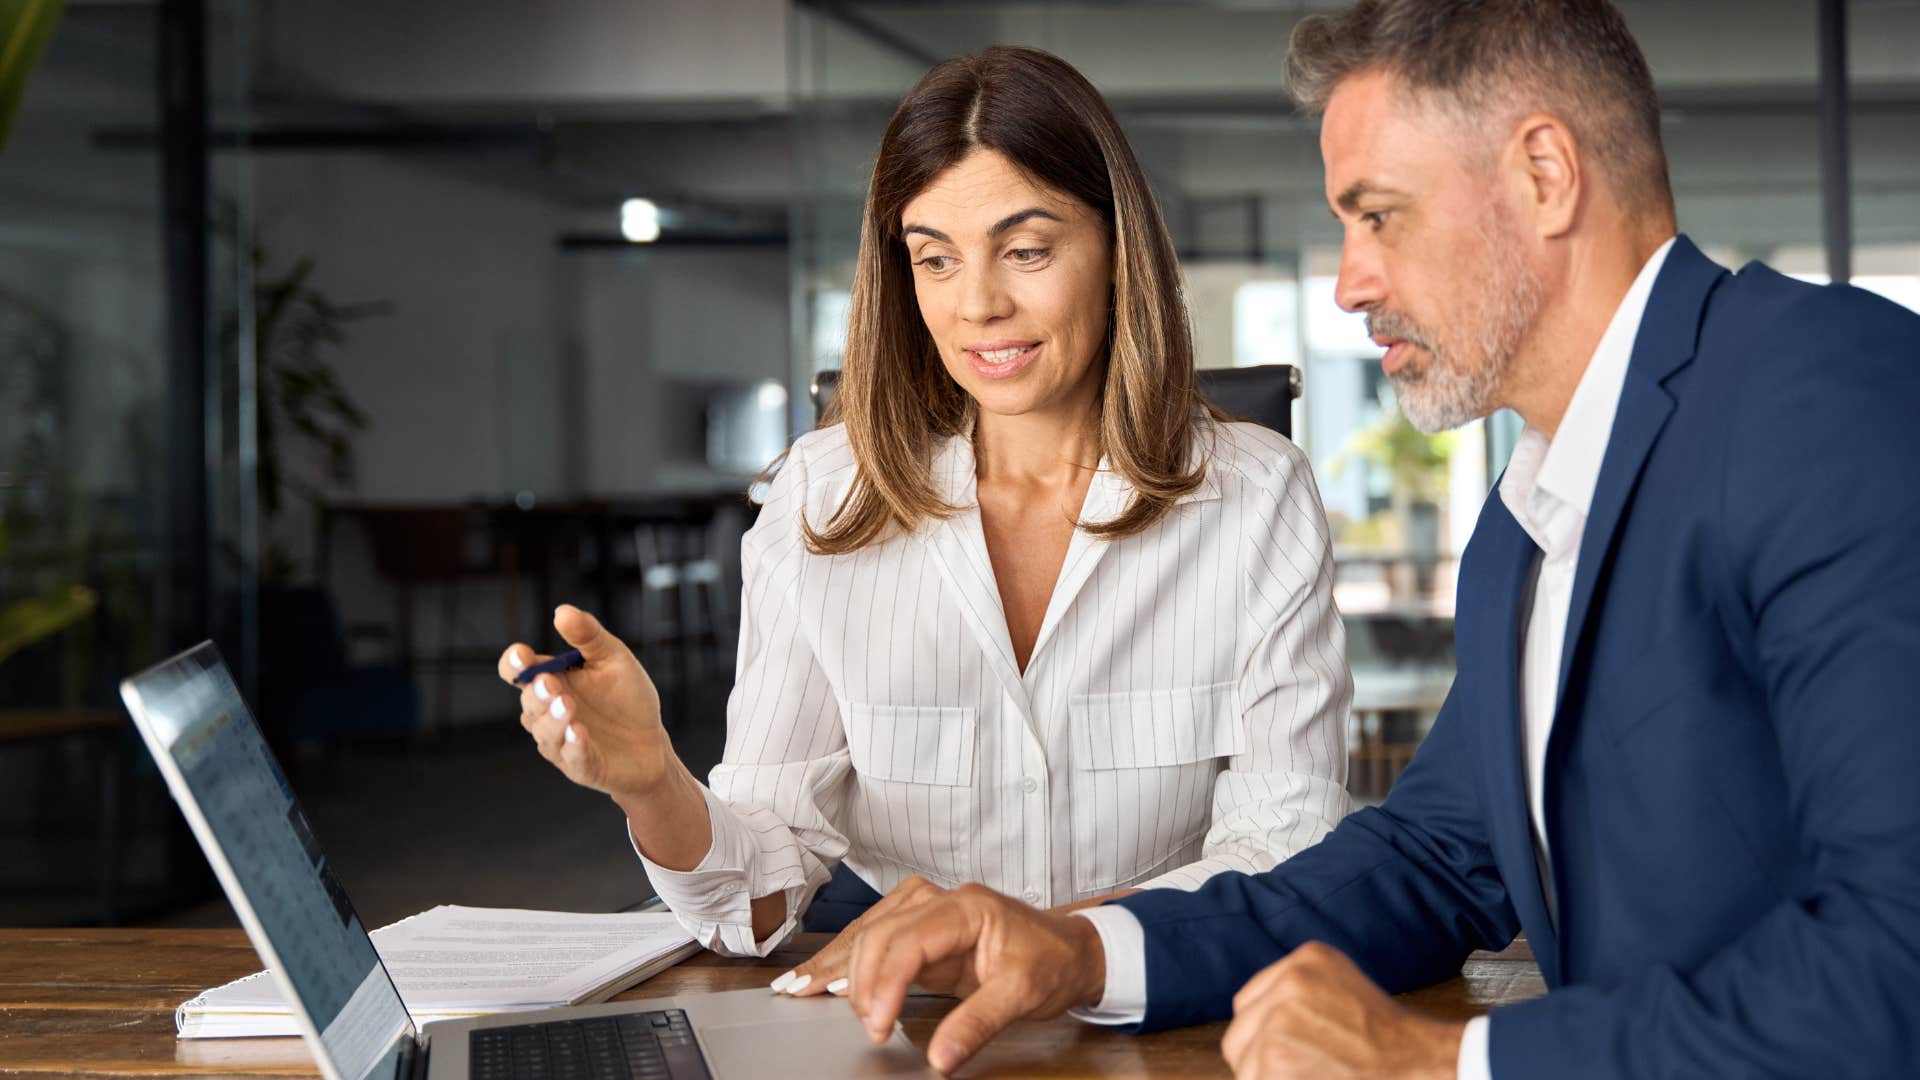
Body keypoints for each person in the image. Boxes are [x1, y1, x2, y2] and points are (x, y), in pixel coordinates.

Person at [825, 2, 1920, 1077]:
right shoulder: (1527, 517)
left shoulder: (1826, 392)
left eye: (1379, 215)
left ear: (1545, 175)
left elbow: (1898, 957)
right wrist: (1079, 947)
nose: (1351, 281)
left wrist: (1445, 1062)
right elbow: (1433, 861)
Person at [497, 45, 1354, 970]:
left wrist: (1040, 946)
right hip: (905, 1020)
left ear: (1117, 251)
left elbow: (1284, 856)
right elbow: (756, 902)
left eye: (1026, 251)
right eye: (935, 259)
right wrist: (653, 783)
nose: (978, 304)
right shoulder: (821, 501)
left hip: (1164, 1013)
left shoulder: (1256, 497)